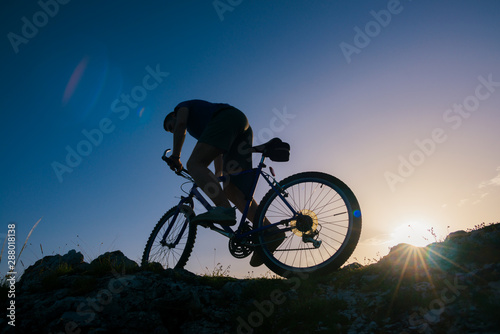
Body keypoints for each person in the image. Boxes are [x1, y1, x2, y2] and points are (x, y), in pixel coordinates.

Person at [164, 99, 284, 267]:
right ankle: (270, 232)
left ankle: (225, 211)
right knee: (232, 191)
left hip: (226, 118)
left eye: (170, 127)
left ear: (173, 115)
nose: (172, 131)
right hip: (240, 126)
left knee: (194, 164)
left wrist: (176, 156)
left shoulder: (181, 108)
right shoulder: (203, 127)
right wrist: (217, 174)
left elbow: (181, 124)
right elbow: (218, 152)